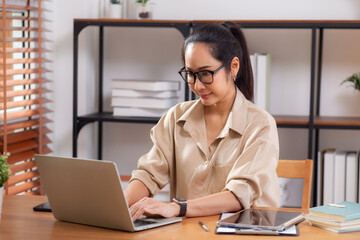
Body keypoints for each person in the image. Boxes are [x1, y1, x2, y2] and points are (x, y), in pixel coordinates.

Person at [124, 21, 280, 220]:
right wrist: (117, 205)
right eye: (190, 74)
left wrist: (176, 208)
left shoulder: (260, 124)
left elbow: (238, 195)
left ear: (233, 67)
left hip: (242, 233)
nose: (197, 85)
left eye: (206, 74)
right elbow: (148, 175)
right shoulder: (175, 117)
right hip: (188, 232)